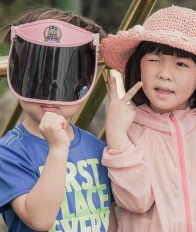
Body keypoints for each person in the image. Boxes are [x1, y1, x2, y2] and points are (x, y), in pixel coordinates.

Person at [99, 5, 196, 232]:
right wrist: (117, 138)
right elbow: (135, 201)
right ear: (138, 64)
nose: (164, 73)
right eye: (154, 60)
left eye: (181, 64)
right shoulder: (128, 125)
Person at [0, 7, 118, 232]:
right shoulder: (8, 153)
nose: (50, 91)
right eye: (36, 77)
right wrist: (57, 150)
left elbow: (108, 217)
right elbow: (39, 220)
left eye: (67, 77)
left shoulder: (96, 148)